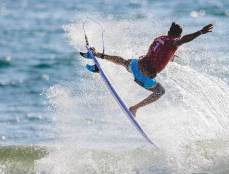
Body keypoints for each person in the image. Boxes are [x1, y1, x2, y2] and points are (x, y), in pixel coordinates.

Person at [80, 22, 213, 116]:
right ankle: (134, 108)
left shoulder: (159, 38)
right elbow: (184, 40)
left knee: (123, 61)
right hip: (143, 76)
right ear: (178, 36)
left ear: (168, 32)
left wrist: (170, 56)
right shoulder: (174, 42)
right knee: (160, 91)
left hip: (135, 66)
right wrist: (200, 32)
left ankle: (97, 55)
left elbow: (159, 53)